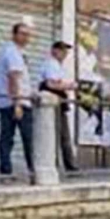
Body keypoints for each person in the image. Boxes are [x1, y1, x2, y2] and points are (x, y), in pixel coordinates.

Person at [0, 21, 35, 179]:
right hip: (17, 102)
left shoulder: (11, 51)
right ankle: (32, 169)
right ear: (14, 34)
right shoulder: (13, 53)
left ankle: (6, 170)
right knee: (27, 137)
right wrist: (17, 103)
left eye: (28, 35)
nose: (26, 38)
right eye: (22, 34)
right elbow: (14, 78)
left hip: (7, 101)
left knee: (7, 136)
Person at [38, 39, 79, 173]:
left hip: (58, 103)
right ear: (54, 51)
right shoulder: (52, 64)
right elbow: (51, 84)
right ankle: (66, 164)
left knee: (60, 135)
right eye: (62, 50)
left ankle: (64, 164)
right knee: (60, 135)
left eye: (65, 50)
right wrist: (70, 86)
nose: (64, 53)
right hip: (54, 103)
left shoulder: (56, 65)